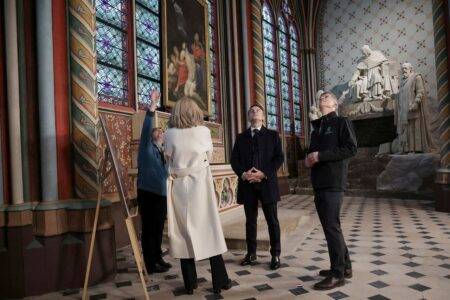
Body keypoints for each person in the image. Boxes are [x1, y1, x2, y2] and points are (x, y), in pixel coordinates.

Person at [164, 97, 232, 295]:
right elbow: (208, 156)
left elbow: (168, 157)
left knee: (182, 231)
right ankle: (220, 281)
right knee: (209, 229)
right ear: (195, 112)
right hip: (200, 186)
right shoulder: (203, 131)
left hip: (179, 186)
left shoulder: (169, 133)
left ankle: (189, 284)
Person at [305, 91, 357, 290]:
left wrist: (321, 156)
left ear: (335, 104)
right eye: (321, 97)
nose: (322, 98)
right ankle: (345, 267)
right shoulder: (317, 127)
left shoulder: (342, 122)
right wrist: (309, 158)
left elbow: (351, 148)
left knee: (331, 227)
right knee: (331, 226)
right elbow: (313, 152)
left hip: (333, 181)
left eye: (327, 97)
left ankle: (337, 274)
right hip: (319, 181)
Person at [230, 104, 284, 270]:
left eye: (258, 111)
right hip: (248, 184)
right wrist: (244, 174)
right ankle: (251, 253)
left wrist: (264, 173)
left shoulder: (273, 135)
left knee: (272, 221)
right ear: (248, 117)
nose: (255, 112)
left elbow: (278, 158)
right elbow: (234, 160)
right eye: (252, 111)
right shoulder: (241, 137)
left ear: (263, 117)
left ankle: (275, 254)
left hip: (267, 183)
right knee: (250, 221)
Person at [136, 90, 172, 274]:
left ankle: (158, 257)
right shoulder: (146, 148)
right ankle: (150, 264)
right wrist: (152, 106)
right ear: (152, 136)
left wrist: (168, 160)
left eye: (162, 131)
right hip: (147, 194)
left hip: (161, 195)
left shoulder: (163, 153)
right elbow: (147, 126)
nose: (160, 132)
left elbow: (166, 175)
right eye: (157, 131)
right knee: (149, 230)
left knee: (159, 229)